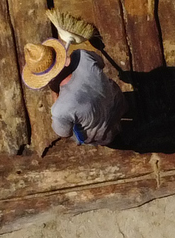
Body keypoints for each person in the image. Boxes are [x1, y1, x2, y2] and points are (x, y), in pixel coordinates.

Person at [22, 10, 130, 147]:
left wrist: (55, 92)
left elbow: (64, 133)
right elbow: (101, 64)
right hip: (119, 103)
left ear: (44, 79)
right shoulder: (83, 55)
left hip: (104, 134)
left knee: (74, 129)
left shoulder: (60, 109)